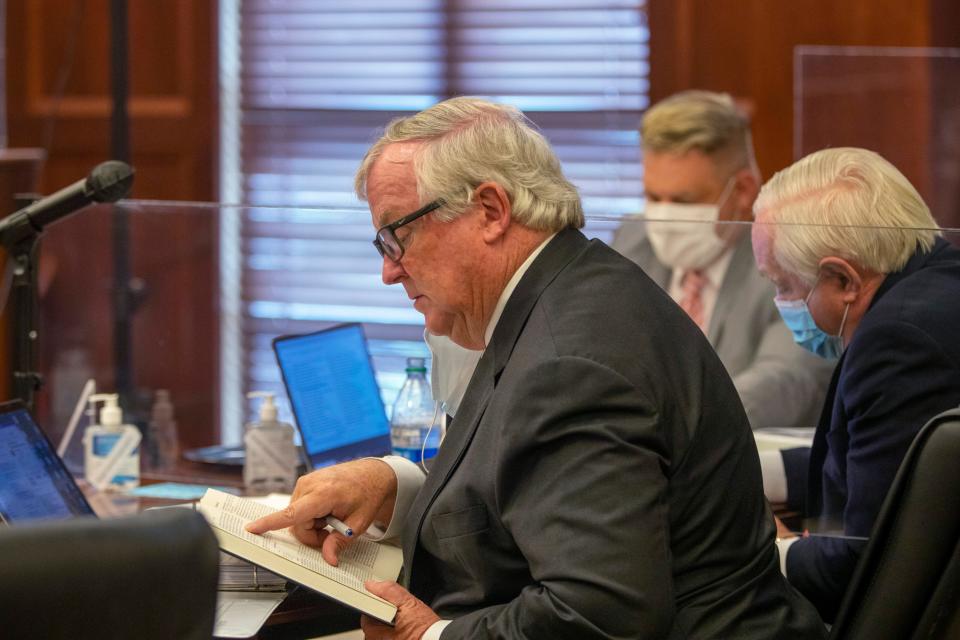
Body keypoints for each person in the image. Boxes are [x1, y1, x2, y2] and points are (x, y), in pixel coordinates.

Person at [248, 97, 825, 639]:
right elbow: (534, 483)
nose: (390, 273)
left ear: (492, 211)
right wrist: (394, 485)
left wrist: (433, 635)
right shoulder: (573, 288)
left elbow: (599, 614)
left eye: (397, 236)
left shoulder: (568, 358)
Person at [752, 146, 960, 622]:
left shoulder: (898, 341)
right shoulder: (938, 285)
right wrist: (746, 469)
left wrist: (768, 551)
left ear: (843, 279)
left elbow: (865, 561)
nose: (781, 302)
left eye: (783, 285)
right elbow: (884, 468)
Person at [612, 90, 833, 429]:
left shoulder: (789, 259)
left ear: (743, 191)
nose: (663, 216)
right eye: (653, 197)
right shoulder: (631, 241)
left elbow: (787, 379)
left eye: (685, 201)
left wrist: (666, 428)